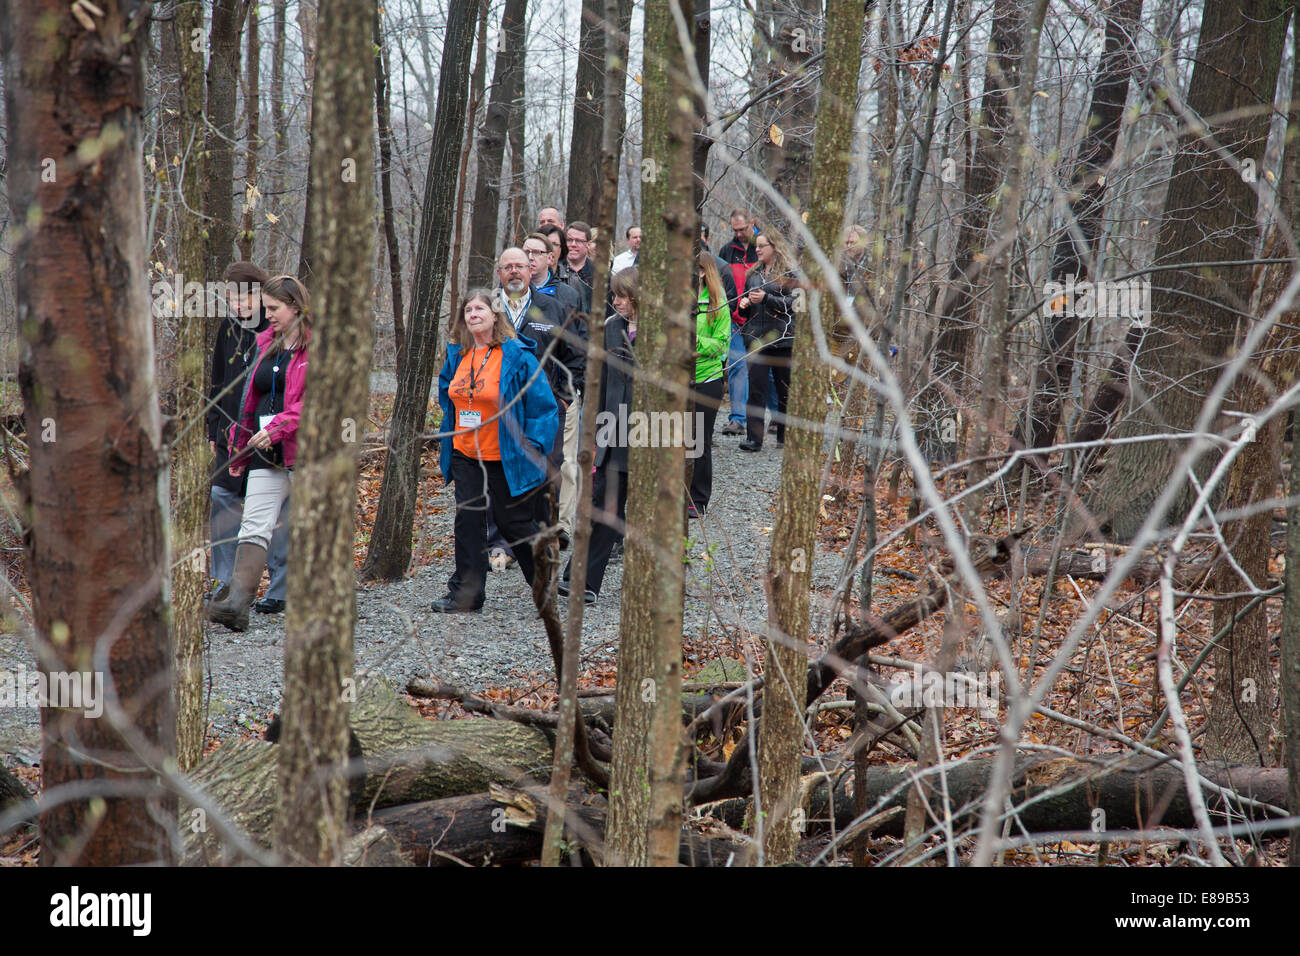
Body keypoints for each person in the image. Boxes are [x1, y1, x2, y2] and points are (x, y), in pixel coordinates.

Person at [431, 289, 558, 613]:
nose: (473, 314)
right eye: (468, 310)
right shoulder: (458, 355)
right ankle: (467, 594)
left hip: (506, 456)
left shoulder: (517, 356)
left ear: (495, 315)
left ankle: (544, 587)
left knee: (514, 524)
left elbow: (544, 408)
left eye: (479, 308)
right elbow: (449, 396)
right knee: (468, 522)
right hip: (465, 454)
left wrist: (534, 445)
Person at [206, 275, 311, 631]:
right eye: (265, 307)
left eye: (273, 308)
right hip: (265, 452)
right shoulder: (265, 343)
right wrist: (239, 446)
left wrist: (278, 427)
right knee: (254, 524)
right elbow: (250, 400)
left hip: (306, 452)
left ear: (295, 306)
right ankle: (237, 605)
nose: (268, 316)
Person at [560, 268, 638, 604]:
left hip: (653, 433)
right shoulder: (610, 329)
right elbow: (599, 386)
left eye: (622, 296)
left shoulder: (667, 333)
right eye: (614, 295)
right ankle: (582, 580)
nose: (616, 302)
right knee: (603, 508)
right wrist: (593, 438)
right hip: (612, 432)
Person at [524, 232, 585, 548]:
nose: (530, 258)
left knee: (563, 462)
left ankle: (561, 525)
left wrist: (566, 393)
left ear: (551, 257)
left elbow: (578, 346)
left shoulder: (566, 294)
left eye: (537, 252)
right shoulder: (510, 297)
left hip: (559, 395)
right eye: (526, 252)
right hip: (522, 400)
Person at [737, 231, 798, 452]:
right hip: (756, 338)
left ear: (775, 246)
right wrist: (743, 305)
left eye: (763, 246)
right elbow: (746, 309)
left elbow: (797, 304)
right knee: (756, 388)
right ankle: (754, 438)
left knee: (784, 389)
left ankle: (784, 435)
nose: (758, 249)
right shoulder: (752, 274)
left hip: (783, 339)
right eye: (757, 246)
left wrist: (767, 299)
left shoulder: (791, 272)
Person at [688, 253, 732, 517]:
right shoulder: (678, 299)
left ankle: (698, 499)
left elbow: (722, 345)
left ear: (703, 272)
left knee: (699, 441)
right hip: (678, 378)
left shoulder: (717, 302)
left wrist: (695, 343)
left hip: (707, 378)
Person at [718, 208, 757, 436]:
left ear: (752, 223)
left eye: (743, 229)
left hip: (760, 318)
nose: (739, 234)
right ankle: (738, 418)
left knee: (765, 370)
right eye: (735, 230)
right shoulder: (727, 250)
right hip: (734, 318)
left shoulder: (762, 247)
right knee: (737, 367)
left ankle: (775, 419)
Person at [564, 221, 596, 315]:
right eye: (569, 240)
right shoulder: (555, 271)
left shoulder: (600, 276)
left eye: (578, 241)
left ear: (588, 245)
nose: (573, 244)